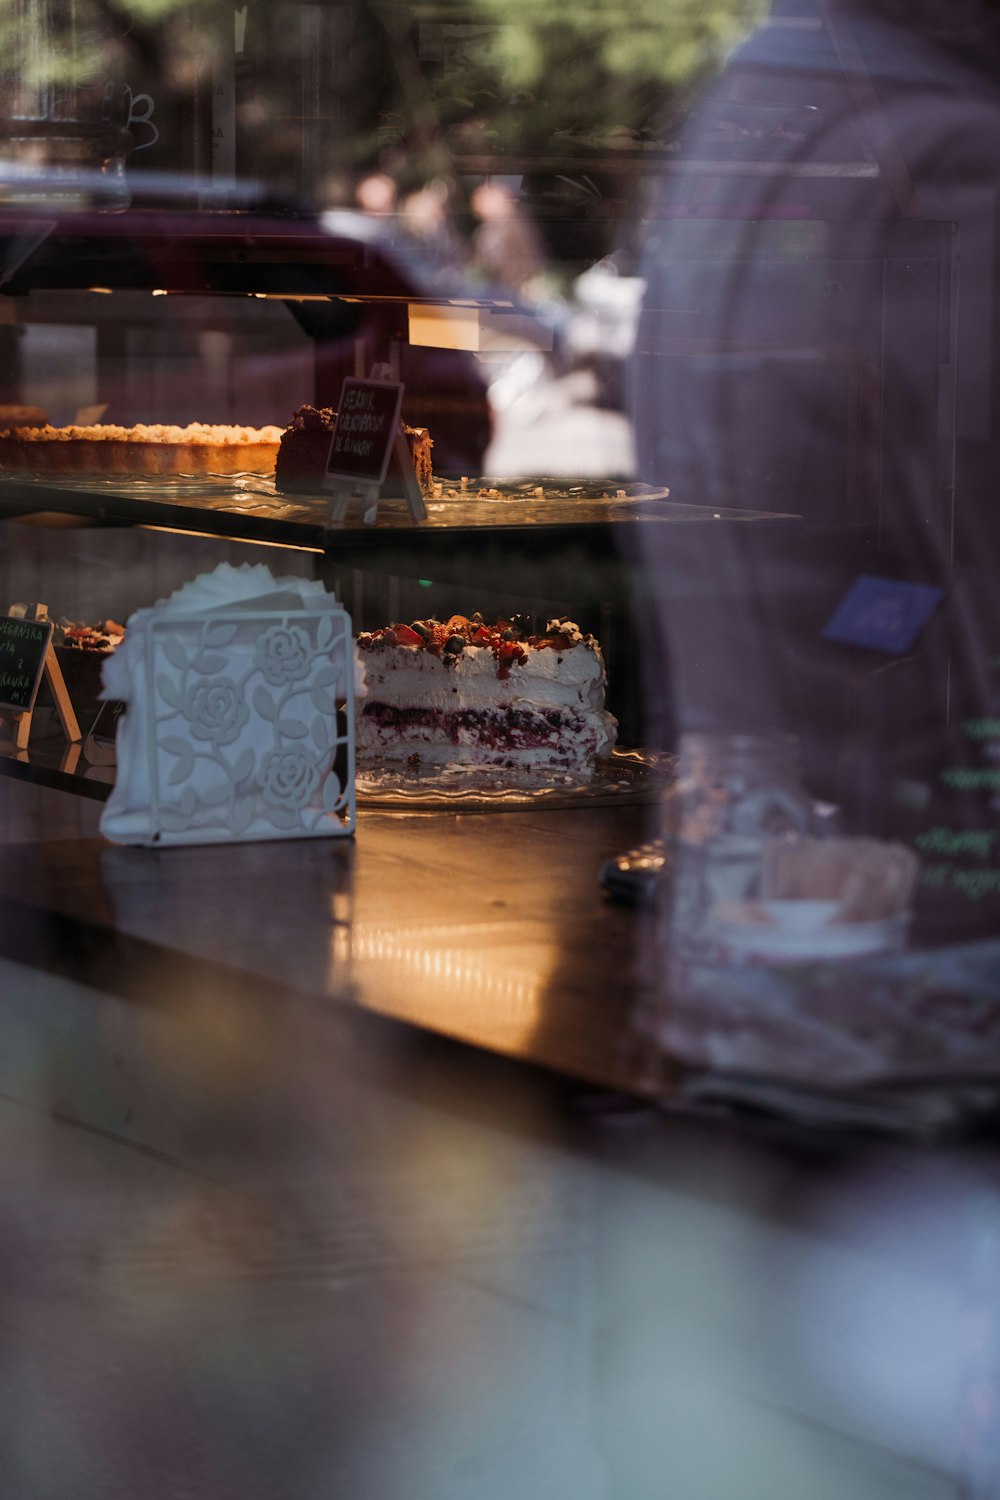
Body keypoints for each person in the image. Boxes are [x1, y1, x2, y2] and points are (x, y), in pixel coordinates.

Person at [629, 0, 1000, 955]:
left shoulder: (757, 105)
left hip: (797, 832)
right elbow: (963, 531)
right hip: (919, 860)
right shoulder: (943, 147)